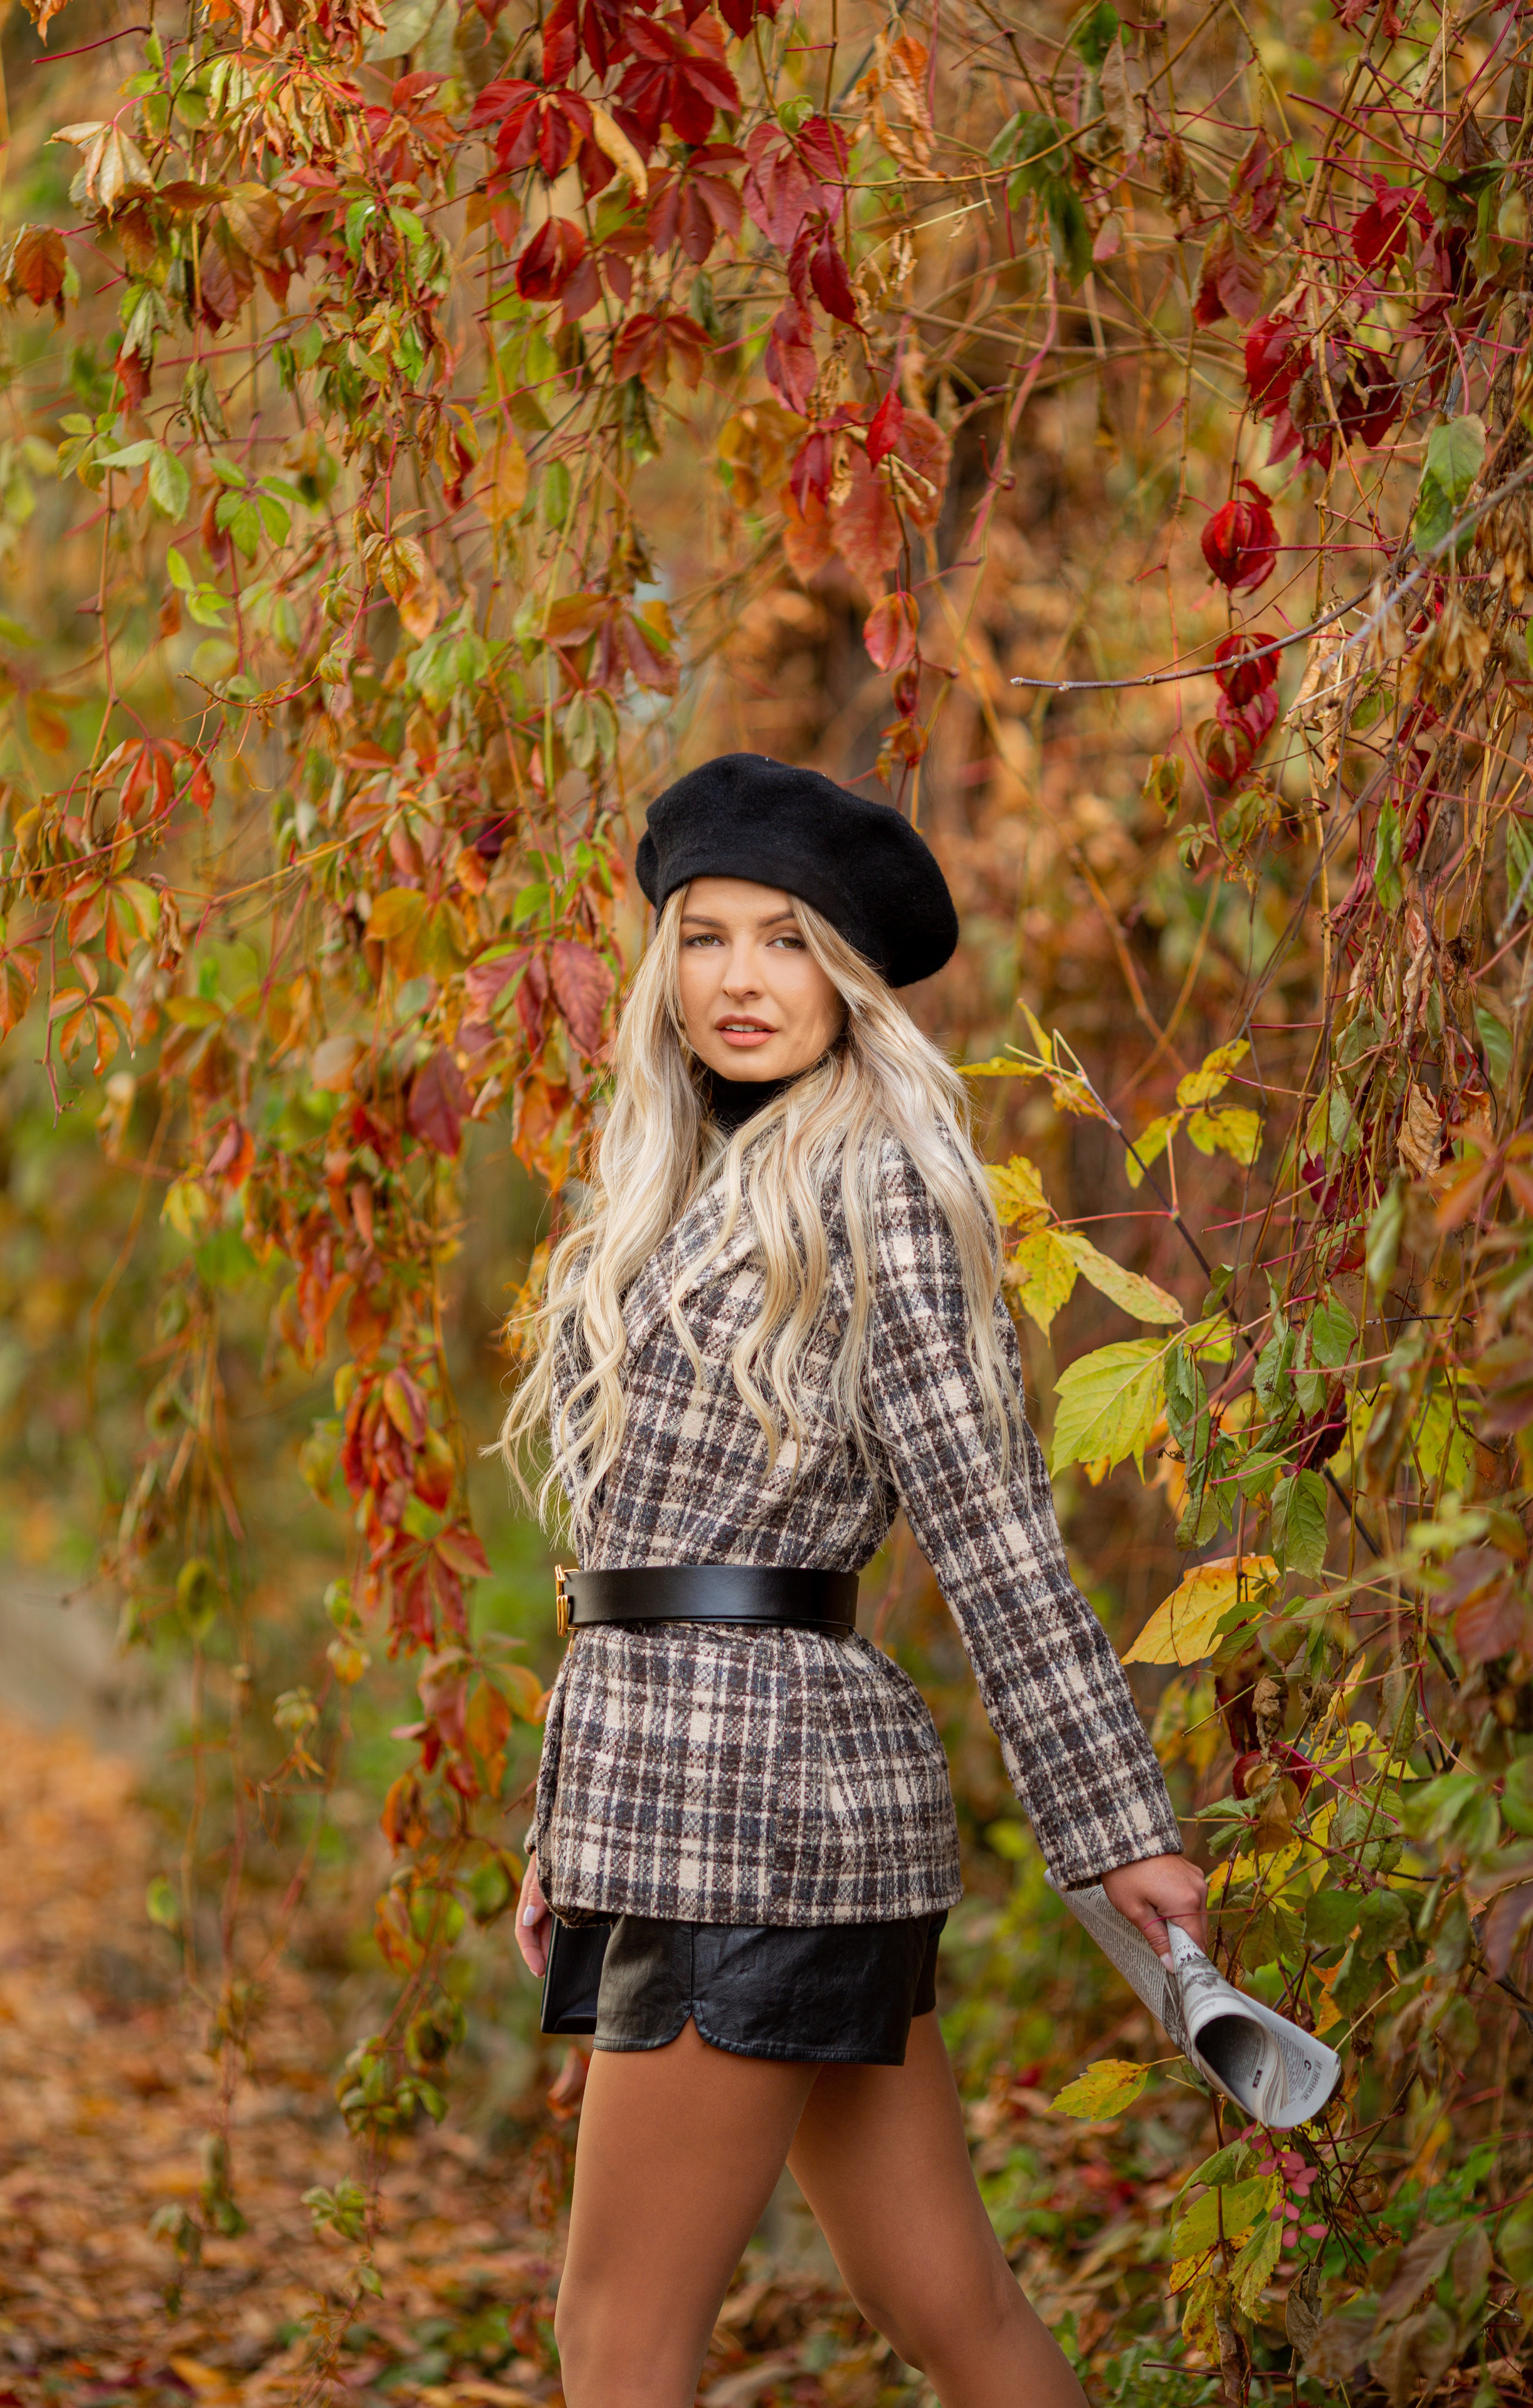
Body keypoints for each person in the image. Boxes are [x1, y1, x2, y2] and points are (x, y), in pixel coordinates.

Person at [497, 754, 1208, 2408]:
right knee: (944, 2304)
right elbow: (633, 1569)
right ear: (664, 964)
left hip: (744, 1819)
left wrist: (1123, 1839)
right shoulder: (674, 1188)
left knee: (617, 2343)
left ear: (849, 976)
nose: (741, 980)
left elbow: (995, 1533)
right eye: (707, 937)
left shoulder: (871, 1175)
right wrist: (562, 1834)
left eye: (788, 942)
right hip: (721, 1808)